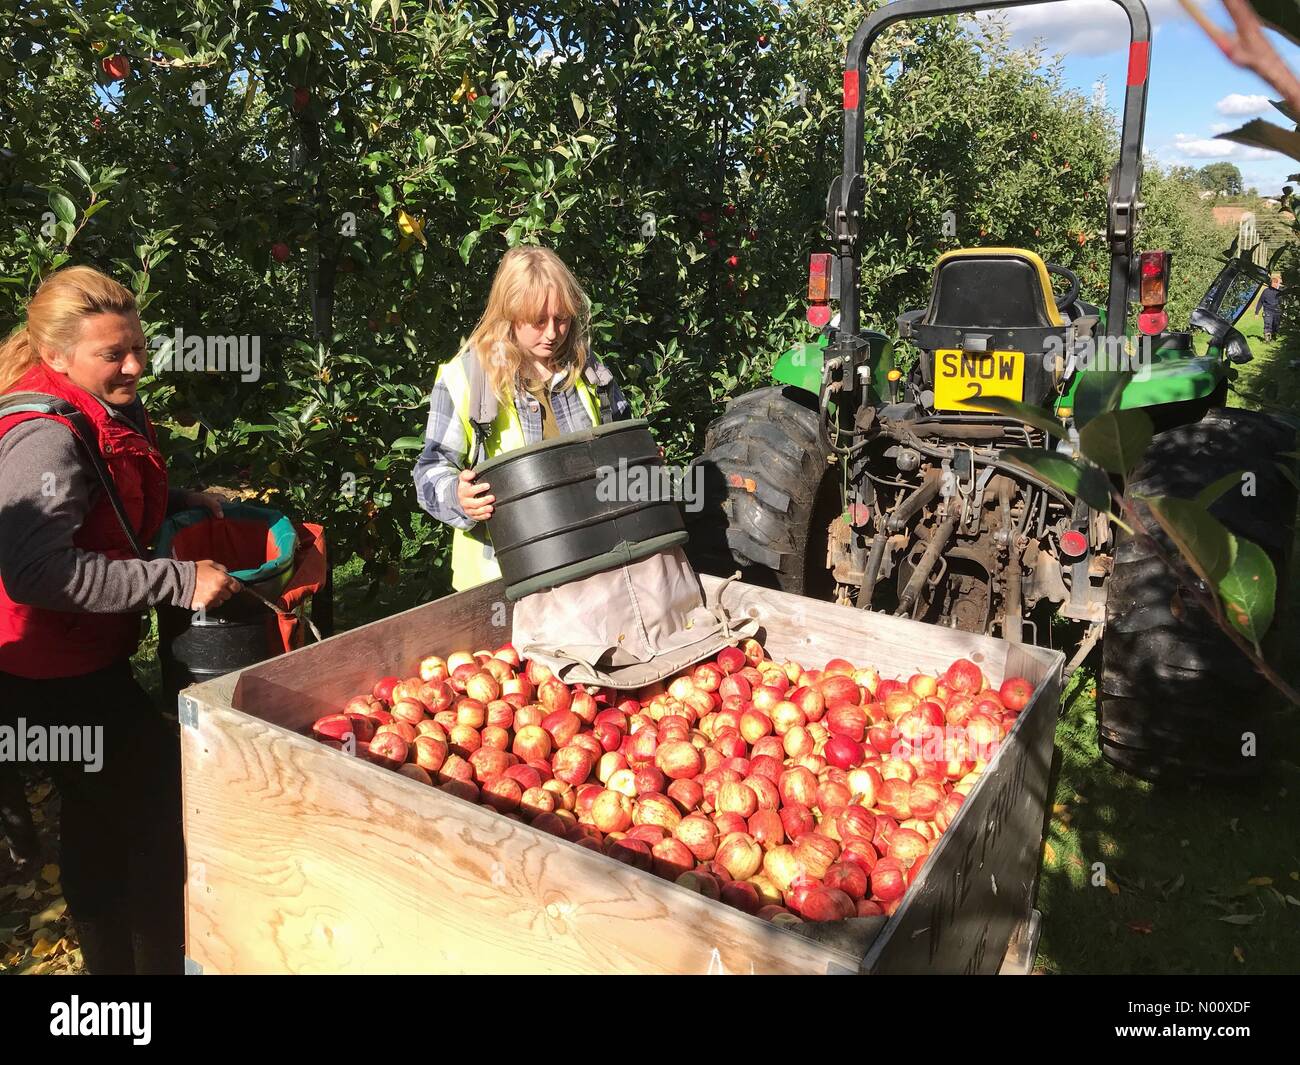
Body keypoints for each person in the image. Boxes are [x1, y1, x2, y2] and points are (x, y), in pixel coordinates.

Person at [0, 266, 242, 974]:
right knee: (146, 822)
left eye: (137, 346)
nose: (135, 364)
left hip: (80, 659)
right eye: (115, 353)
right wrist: (178, 578)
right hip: (45, 672)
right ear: (58, 356)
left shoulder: (98, 405)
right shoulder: (42, 437)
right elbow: (39, 571)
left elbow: (101, 500)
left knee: (105, 817)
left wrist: (181, 502)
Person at [414, 246, 633, 592]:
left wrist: (640, 462)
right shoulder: (470, 378)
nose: (552, 333)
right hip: (503, 579)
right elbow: (429, 470)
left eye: (561, 318)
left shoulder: (588, 370)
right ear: (510, 313)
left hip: (593, 564)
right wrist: (457, 495)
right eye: (538, 321)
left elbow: (622, 442)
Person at [1259, 273, 1285, 342]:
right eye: (1272, 283)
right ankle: (1267, 340)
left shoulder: (1281, 291)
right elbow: (1260, 301)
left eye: (1275, 283)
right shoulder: (1266, 291)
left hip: (1277, 311)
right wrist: (1256, 312)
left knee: (1276, 325)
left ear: (1277, 284)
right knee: (1268, 324)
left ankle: (1274, 336)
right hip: (1268, 311)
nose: (1273, 285)